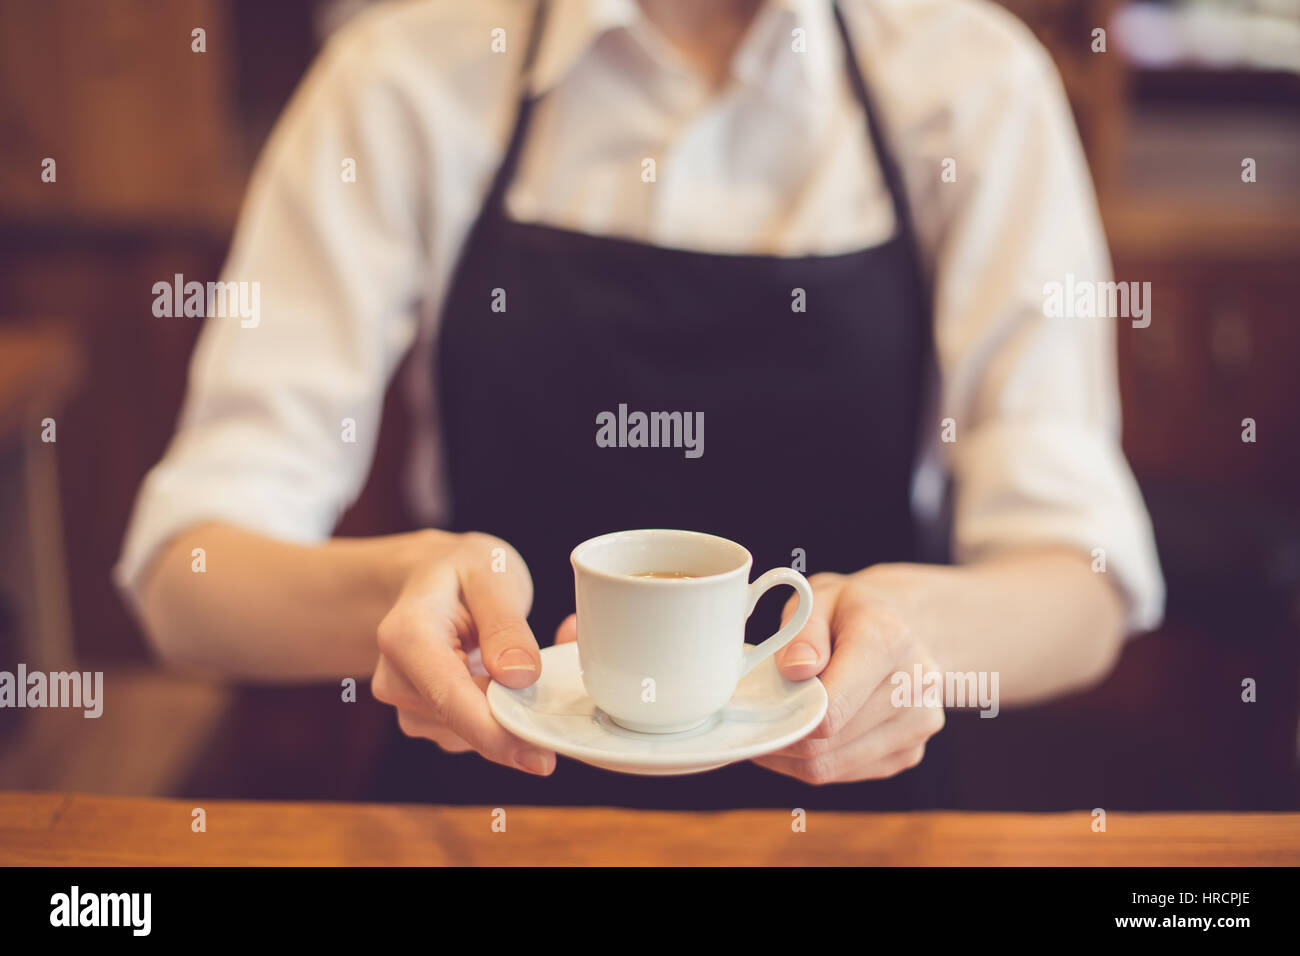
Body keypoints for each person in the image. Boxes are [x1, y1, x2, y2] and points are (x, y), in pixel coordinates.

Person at [116, 0, 1164, 809]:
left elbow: (1079, 582)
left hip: (854, 817)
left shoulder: (973, 83)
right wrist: (391, 594)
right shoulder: (399, 75)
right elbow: (186, 575)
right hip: (491, 810)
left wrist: (910, 630)